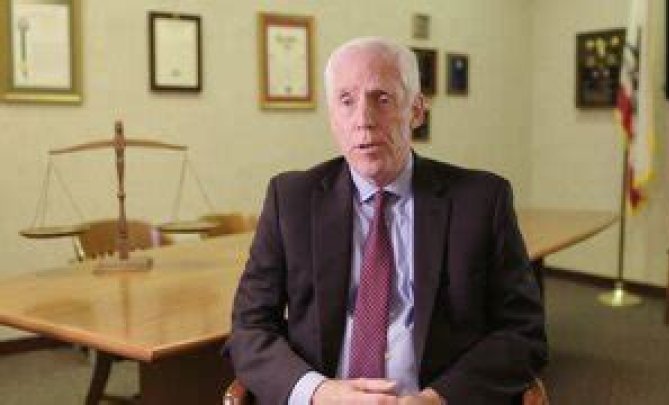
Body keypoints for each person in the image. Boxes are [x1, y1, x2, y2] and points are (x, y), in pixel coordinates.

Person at [226, 37, 547, 404]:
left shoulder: (481, 201)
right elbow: (249, 329)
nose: (363, 120)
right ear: (332, 117)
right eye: (346, 101)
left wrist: (438, 399)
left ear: (417, 111)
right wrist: (320, 392)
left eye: (381, 98)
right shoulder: (291, 200)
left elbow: (523, 333)